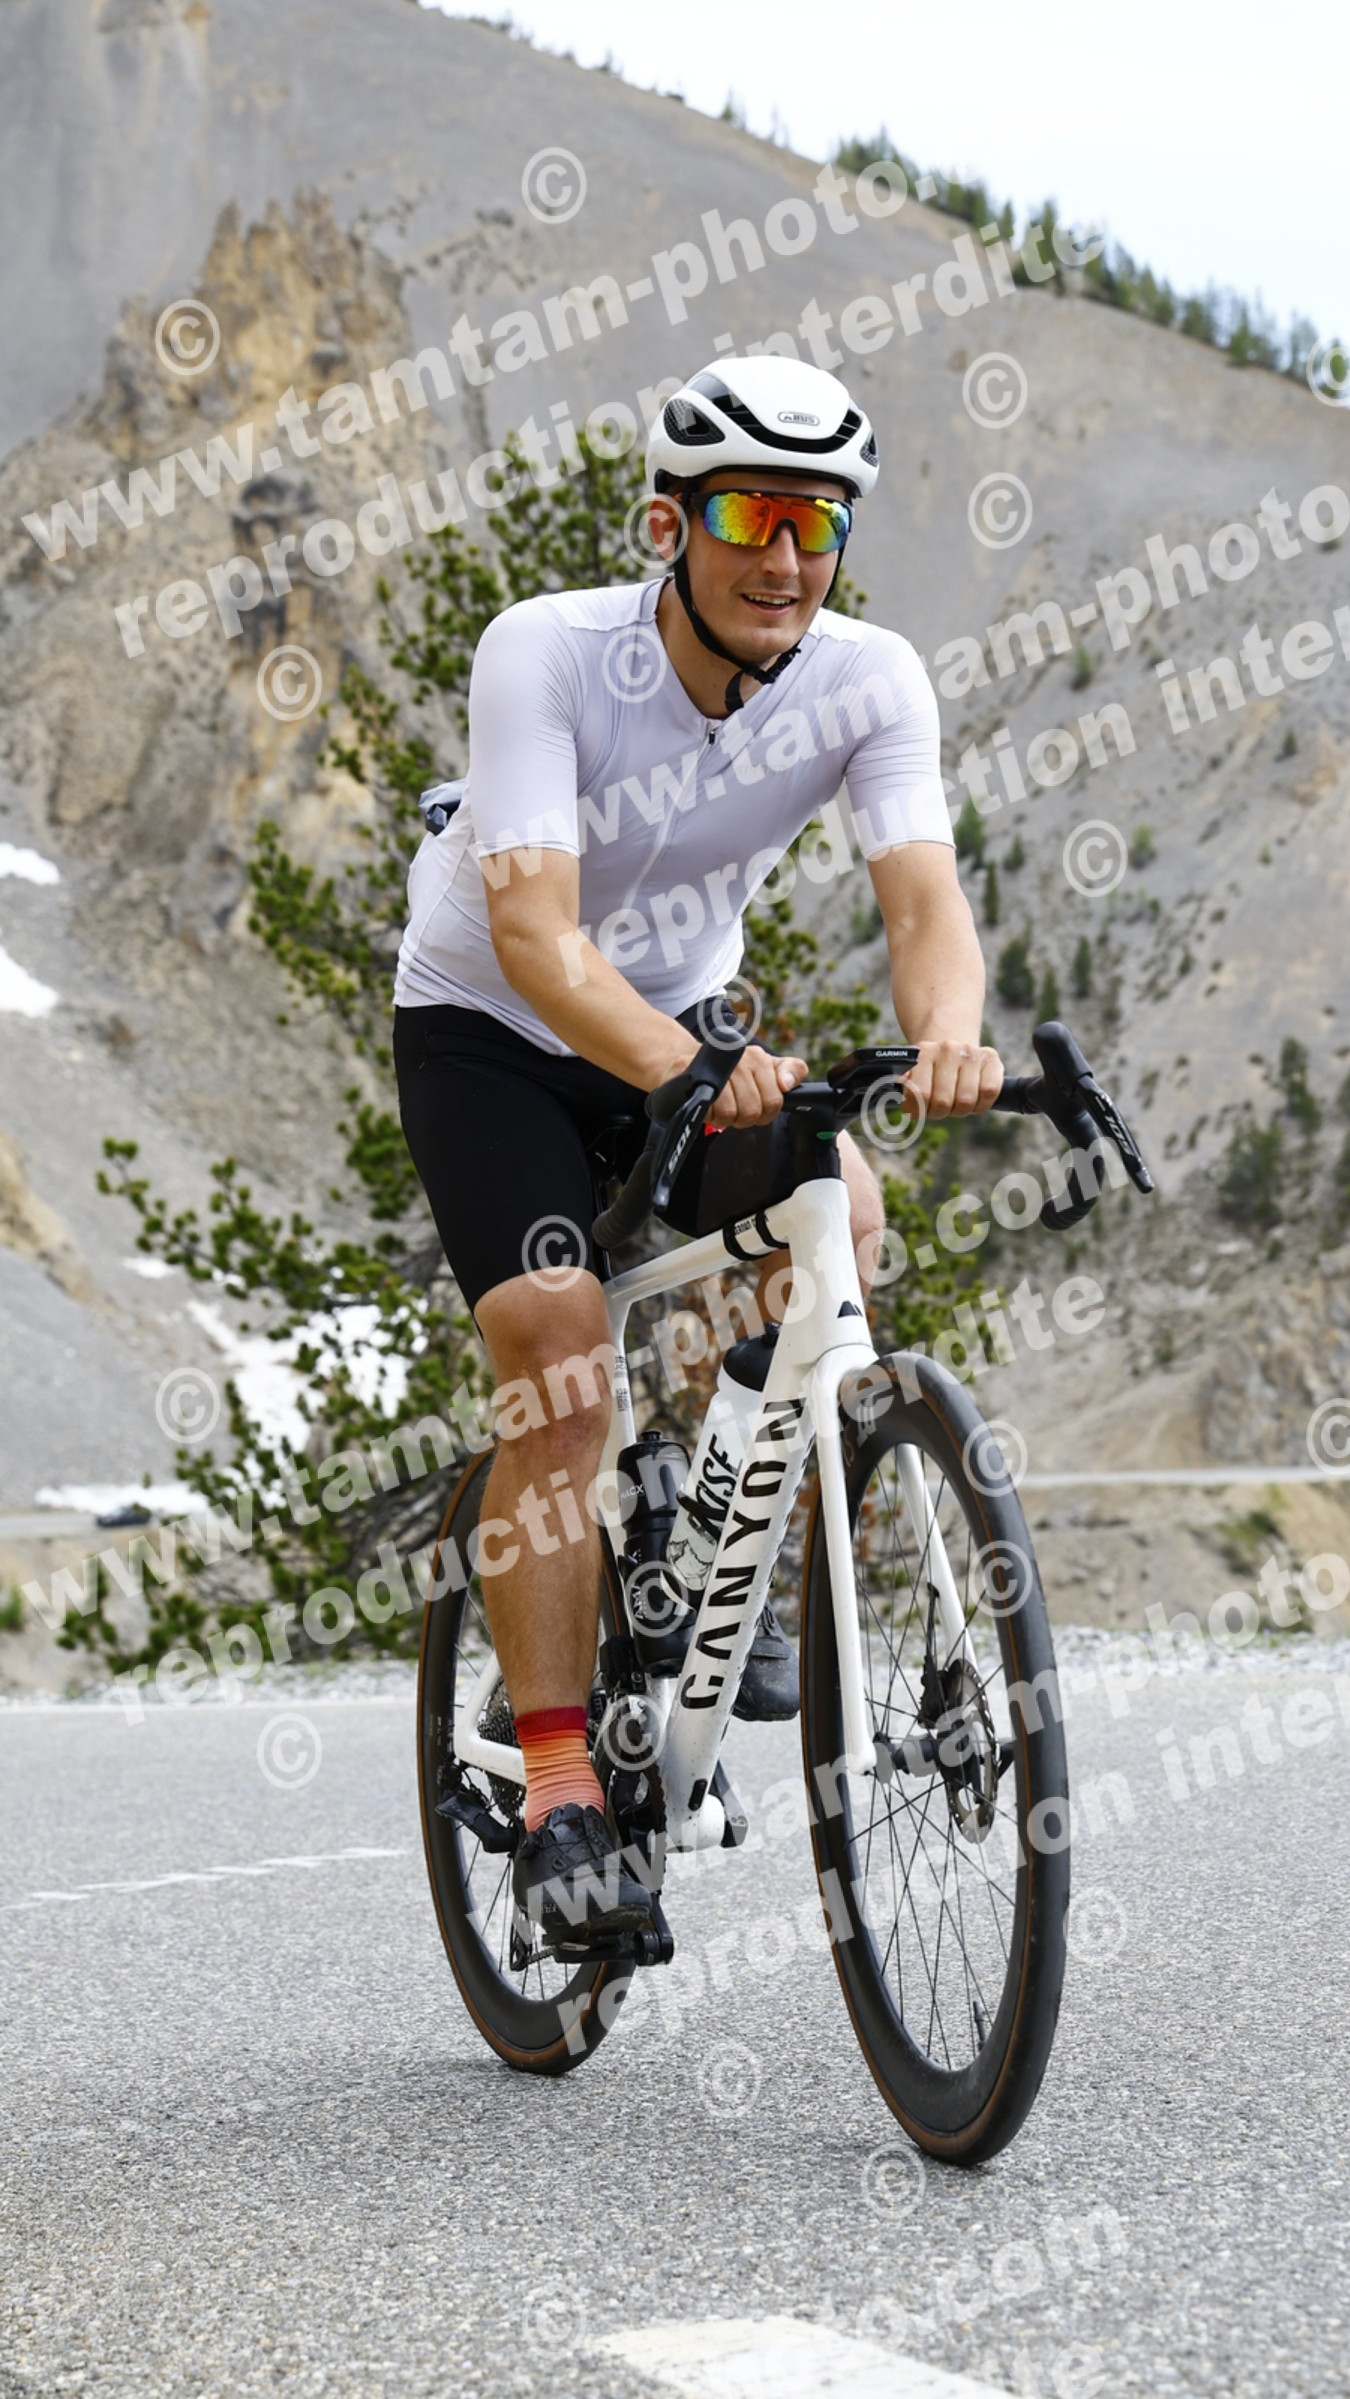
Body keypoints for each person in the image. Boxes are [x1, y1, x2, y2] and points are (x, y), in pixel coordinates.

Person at [393, 355, 1004, 1946]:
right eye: (746, 517)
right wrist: (689, 1069)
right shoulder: (548, 653)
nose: (783, 556)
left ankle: (722, 1540)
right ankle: (557, 1791)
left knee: (842, 1220)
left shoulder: (871, 678)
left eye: (816, 523)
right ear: (670, 524)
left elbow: (922, 905)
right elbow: (535, 933)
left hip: (679, 1024)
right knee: (558, 1358)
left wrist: (948, 1033)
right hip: (493, 1031)